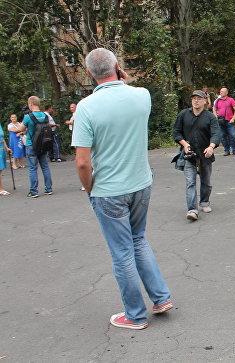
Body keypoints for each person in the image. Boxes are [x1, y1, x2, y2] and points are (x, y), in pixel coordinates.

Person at [72, 48, 173, 330]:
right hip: (141, 183)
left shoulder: (86, 108)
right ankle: (161, 298)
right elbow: (127, 94)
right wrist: (122, 79)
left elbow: (82, 162)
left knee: (122, 252)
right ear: (118, 67)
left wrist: (90, 188)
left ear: (90, 74)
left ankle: (135, 315)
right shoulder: (142, 96)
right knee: (139, 240)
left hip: (108, 189)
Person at [173, 90, 222, 221]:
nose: (196, 100)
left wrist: (211, 147)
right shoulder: (183, 114)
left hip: (205, 155)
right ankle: (192, 210)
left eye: (199, 98)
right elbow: (176, 132)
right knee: (190, 183)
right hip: (189, 155)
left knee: (206, 182)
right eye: (194, 98)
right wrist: (184, 144)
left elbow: (216, 134)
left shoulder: (210, 117)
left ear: (205, 101)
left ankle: (204, 202)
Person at [16, 96, 53, 198]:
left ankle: (34, 191)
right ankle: (48, 189)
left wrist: (21, 127)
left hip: (31, 145)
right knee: (45, 167)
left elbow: (20, 129)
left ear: (31, 104)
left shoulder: (28, 116)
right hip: (43, 144)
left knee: (33, 168)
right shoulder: (45, 115)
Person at [214, 87, 235, 156]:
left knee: (232, 135)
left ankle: (234, 150)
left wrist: (233, 118)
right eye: (220, 91)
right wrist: (215, 116)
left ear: (226, 92)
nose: (220, 92)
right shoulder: (218, 100)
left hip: (229, 121)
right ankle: (226, 150)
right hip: (220, 121)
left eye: (222, 91)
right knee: (223, 136)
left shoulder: (231, 100)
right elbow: (214, 108)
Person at [0, 125, 12, 195]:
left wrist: (7, 148)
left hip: (1, 149)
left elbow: (2, 138)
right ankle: (1, 189)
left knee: (1, 169)